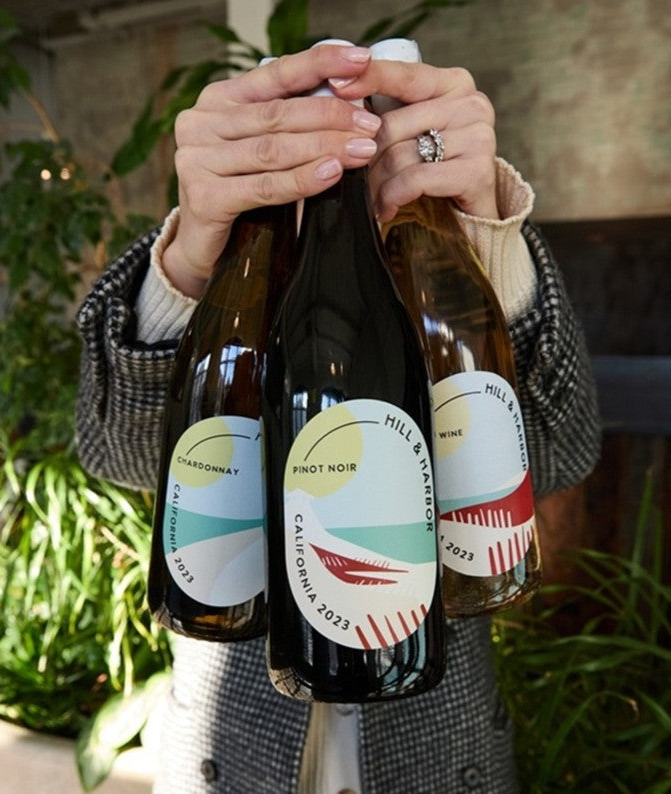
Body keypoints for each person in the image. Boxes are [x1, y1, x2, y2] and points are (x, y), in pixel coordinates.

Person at [76, 43, 600, 794]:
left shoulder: (433, 246)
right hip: (228, 758)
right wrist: (187, 268)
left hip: (442, 755)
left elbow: (560, 457)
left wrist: (490, 241)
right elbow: (120, 456)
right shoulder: (242, 249)